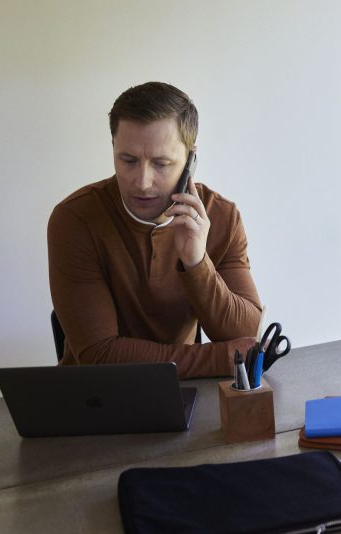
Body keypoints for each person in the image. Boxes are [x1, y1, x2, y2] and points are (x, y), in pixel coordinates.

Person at [48, 82, 262, 377]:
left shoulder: (220, 216)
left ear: (190, 160)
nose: (142, 182)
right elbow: (100, 355)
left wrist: (197, 262)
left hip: (188, 391)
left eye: (161, 164)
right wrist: (222, 358)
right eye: (128, 160)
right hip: (97, 395)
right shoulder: (75, 219)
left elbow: (246, 332)